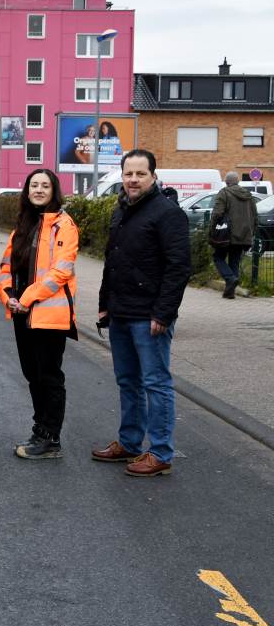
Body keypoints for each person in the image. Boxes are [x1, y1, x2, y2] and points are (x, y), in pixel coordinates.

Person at [93, 149, 190, 477]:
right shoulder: (121, 210)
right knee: (128, 381)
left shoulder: (167, 213)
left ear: (153, 176)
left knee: (155, 383)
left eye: (140, 174)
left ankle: (161, 452)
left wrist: (163, 314)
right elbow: (112, 262)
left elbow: (178, 268)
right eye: (128, 173)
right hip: (121, 312)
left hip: (149, 317)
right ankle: (130, 442)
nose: (133, 179)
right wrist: (104, 305)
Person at [0, 169, 78, 459]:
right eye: (34, 185)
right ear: (27, 191)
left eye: (45, 185)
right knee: (32, 375)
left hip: (50, 316)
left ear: (54, 191)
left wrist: (27, 298)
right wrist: (7, 296)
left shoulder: (63, 225)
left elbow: (61, 271)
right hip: (22, 313)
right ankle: (39, 430)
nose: (39, 190)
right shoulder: (23, 225)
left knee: (49, 377)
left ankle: (50, 438)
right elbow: (6, 265)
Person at [210, 171, 259, 299]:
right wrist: (251, 233)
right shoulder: (248, 195)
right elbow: (255, 217)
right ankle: (230, 292)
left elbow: (217, 214)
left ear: (226, 182)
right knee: (234, 261)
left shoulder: (224, 193)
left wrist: (212, 230)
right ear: (238, 182)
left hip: (227, 234)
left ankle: (230, 278)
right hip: (244, 235)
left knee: (218, 257)